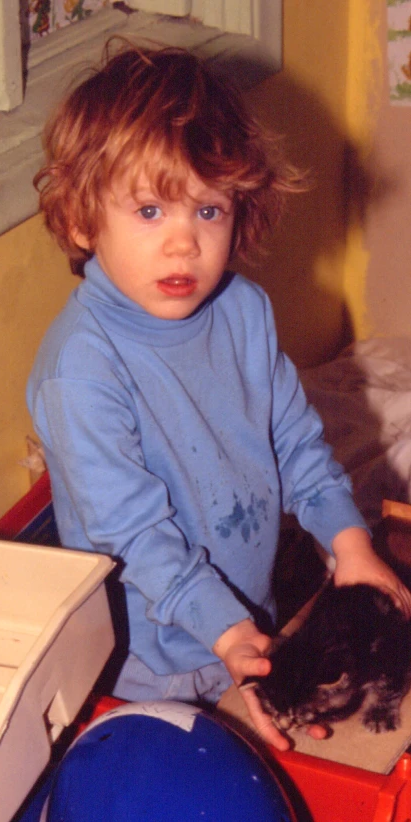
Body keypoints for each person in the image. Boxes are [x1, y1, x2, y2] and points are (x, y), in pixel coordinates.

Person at [27, 42, 411, 751]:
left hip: (243, 622)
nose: (183, 245)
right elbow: (137, 538)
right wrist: (229, 634)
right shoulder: (80, 371)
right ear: (81, 219)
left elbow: (294, 442)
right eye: (149, 211)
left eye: (207, 211)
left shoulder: (243, 310)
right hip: (142, 659)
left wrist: (349, 543)